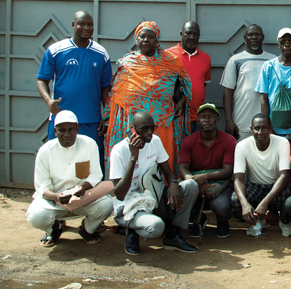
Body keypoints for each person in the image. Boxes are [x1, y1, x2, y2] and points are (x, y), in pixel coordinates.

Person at [110, 111, 200, 255]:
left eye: (152, 128)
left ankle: (172, 235)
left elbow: (168, 172)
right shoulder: (119, 150)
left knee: (191, 186)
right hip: (129, 206)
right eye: (145, 128)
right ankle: (132, 231)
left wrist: (174, 184)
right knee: (156, 227)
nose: (150, 132)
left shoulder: (155, 141)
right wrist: (133, 157)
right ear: (133, 129)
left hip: (153, 198)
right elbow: (120, 195)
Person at [105, 21, 191, 172]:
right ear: (136, 39)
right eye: (142, 36)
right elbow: (116, 94)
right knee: (133, 160)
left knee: (160, 160)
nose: (145, 40)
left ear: (156, 39)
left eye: (150, 37)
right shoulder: (127, 63)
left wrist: (181, 102)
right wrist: (108, 116)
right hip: (132, 122)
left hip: (161, 122)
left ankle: (165, 184)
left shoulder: (170, 61)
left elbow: (185, 84)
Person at [36, 10, 112, 172]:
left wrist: (106, 115)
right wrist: (49, 101)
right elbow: (42, 80)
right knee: (58, 160)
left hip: (91, 120)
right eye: (81, 24)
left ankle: (89, 189)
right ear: (73, 25)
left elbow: (105, 87)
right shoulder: (56, 50)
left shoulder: (101, 53)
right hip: (61, 118)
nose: (86, 28)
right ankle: (61, 188)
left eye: (90, 24)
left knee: (90, 162)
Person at [26, 111, 113, 247]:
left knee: (106, 204)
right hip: (54, 201)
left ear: (77, 129)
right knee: (36, 216)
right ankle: (54, 228)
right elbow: (42, 186)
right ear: (55, 131)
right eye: (62, 130)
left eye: (71, 129)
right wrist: (56, 197)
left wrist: (83, 187)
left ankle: (87, 229)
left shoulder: (89, 144)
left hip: (82, 198)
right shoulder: (45, 150)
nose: (67, 134)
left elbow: (96, 175)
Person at [231, 113, 291, 237]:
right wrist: (245, 204)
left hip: (277, 185)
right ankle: (256, 220)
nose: (260, 132)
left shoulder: (282, 142)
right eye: (256, 128)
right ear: (251, 129)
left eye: (264, 128)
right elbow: (238, 179)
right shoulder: (242, 146)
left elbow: (285, 176)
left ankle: (285, 221)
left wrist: (265, 203)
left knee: (287, 192)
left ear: (270, 129)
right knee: (236, 199)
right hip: (256, 186)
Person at [177, 104, 236, 239]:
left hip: (220, 184)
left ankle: (222, 220)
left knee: (221, 205)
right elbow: (182, 168)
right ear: (197, 120)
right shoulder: (188, 141)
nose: (207, 120)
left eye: (211, 117)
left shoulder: (229, 141)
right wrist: (194, 182)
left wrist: (204, 177)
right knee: (180, 195)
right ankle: (198, 220)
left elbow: (228, 171)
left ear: (218, 119)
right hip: (196, 183)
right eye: (203, 117)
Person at [221, 24, 276, 141]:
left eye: (257, 34)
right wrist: (228, 120)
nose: (254, 37)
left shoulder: (273, 60)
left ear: (263, 37)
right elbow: (227, 92)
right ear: (245, 38)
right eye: (250, 35)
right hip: (241, 123)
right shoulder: (235, 60)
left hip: (267, 125)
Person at [167, 21, 212, 133]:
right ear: (181, 34)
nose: (191, 37)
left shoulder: (205, 58)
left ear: (199, 36)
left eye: (195, 34)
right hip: (174, 116)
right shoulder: (168, 55)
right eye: (188, 33)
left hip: (197, 117)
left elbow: (203, 84)